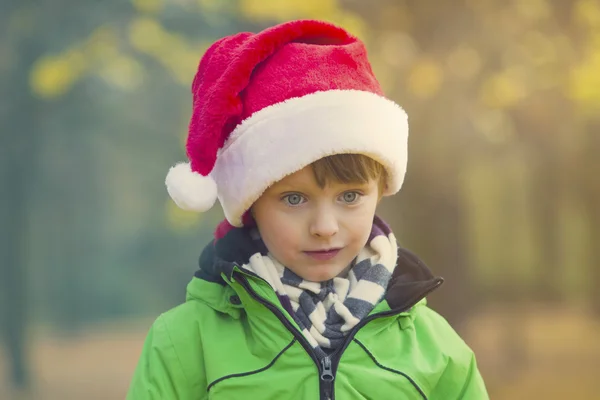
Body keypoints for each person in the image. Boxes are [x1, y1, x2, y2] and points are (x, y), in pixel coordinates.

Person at [126, 19, 489, 399]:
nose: (325, 227)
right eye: (293, 199)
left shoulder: (434, 348)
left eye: (349, 196)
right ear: (252, 204)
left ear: (380, 191)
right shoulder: (186, 343)